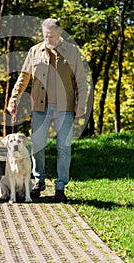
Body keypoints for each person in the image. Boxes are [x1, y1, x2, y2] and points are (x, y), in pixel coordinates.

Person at [7, 18, 87, 203]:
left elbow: (81, 80)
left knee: (64, 147)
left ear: (60, 33)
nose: (47, 38)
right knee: (37, 145)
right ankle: (39, 180)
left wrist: (81, 103)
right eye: (45, 35)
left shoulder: (72, 52)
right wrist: (13, 100)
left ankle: (60, 187)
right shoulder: (34, 51)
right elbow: (24, 77)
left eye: (51, 35)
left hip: (64, 107)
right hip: (40, 106)